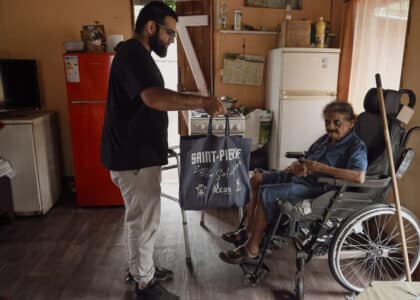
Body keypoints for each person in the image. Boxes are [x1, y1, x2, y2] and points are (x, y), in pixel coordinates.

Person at [100, 2, 225, 299]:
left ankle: (141, 270)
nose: (171, 39)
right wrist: (203, 102)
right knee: (146, 220)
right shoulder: (133, 54)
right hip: (133, 157)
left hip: (132, 154)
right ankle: (145, 284)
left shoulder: (136, 55)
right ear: (151, 26)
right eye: (169, 32)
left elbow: (145, 106)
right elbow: (154, 99)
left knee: (137, 218)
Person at [218, 101, 367, 264]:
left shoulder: (356, 145)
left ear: (351, 124)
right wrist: (298, 166)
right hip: (300, 177)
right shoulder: (326, 139)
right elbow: (308, 156)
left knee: (267, 192)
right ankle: (247, 231)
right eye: (327, 122)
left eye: (337, 122)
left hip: (317, 188)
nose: (331, 126)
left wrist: (321, 168)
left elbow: (358, 176)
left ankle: (253, 248)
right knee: (256, 179)